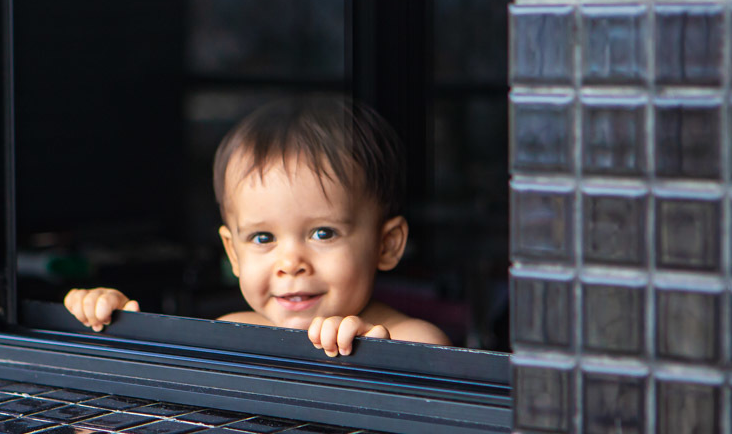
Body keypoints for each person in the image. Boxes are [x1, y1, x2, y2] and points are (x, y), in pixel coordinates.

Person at [64, 96, 450, 356]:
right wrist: (114, 326)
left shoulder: (414, 341)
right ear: (233, 254)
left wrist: (375, 359)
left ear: (387, 244)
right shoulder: (231, 334)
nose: (291, 263)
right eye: (263, 237)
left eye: (323, 233)